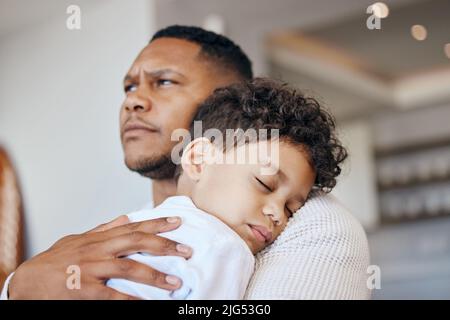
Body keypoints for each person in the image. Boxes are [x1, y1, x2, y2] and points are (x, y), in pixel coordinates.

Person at [1, 25, 370, 300]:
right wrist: (19, 284)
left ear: (222, 99)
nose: (134, 101)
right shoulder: (137, 224)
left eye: (163, 82)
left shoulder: (316, 226)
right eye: (130, 87)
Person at [108, 78, 343, 299]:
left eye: (291, 210)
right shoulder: (226, 248)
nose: (278, 214)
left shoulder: (129, 225)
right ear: (199, 160)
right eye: (265, 183)